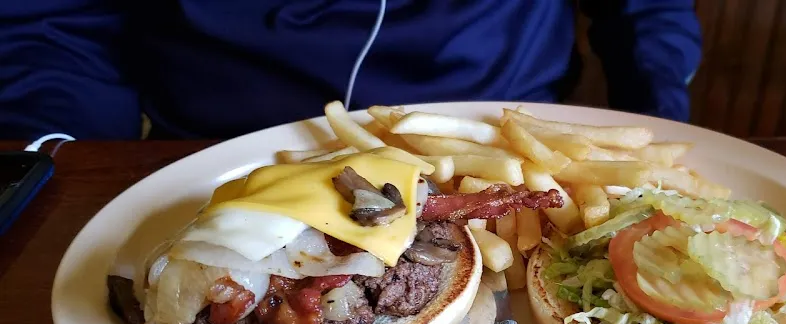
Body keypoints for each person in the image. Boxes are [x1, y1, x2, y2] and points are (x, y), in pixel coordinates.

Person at [0, 1, 701, 141]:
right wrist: (66, 163)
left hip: (501, 142)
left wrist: (664, 127)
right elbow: (52, 21)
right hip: (206, 149)